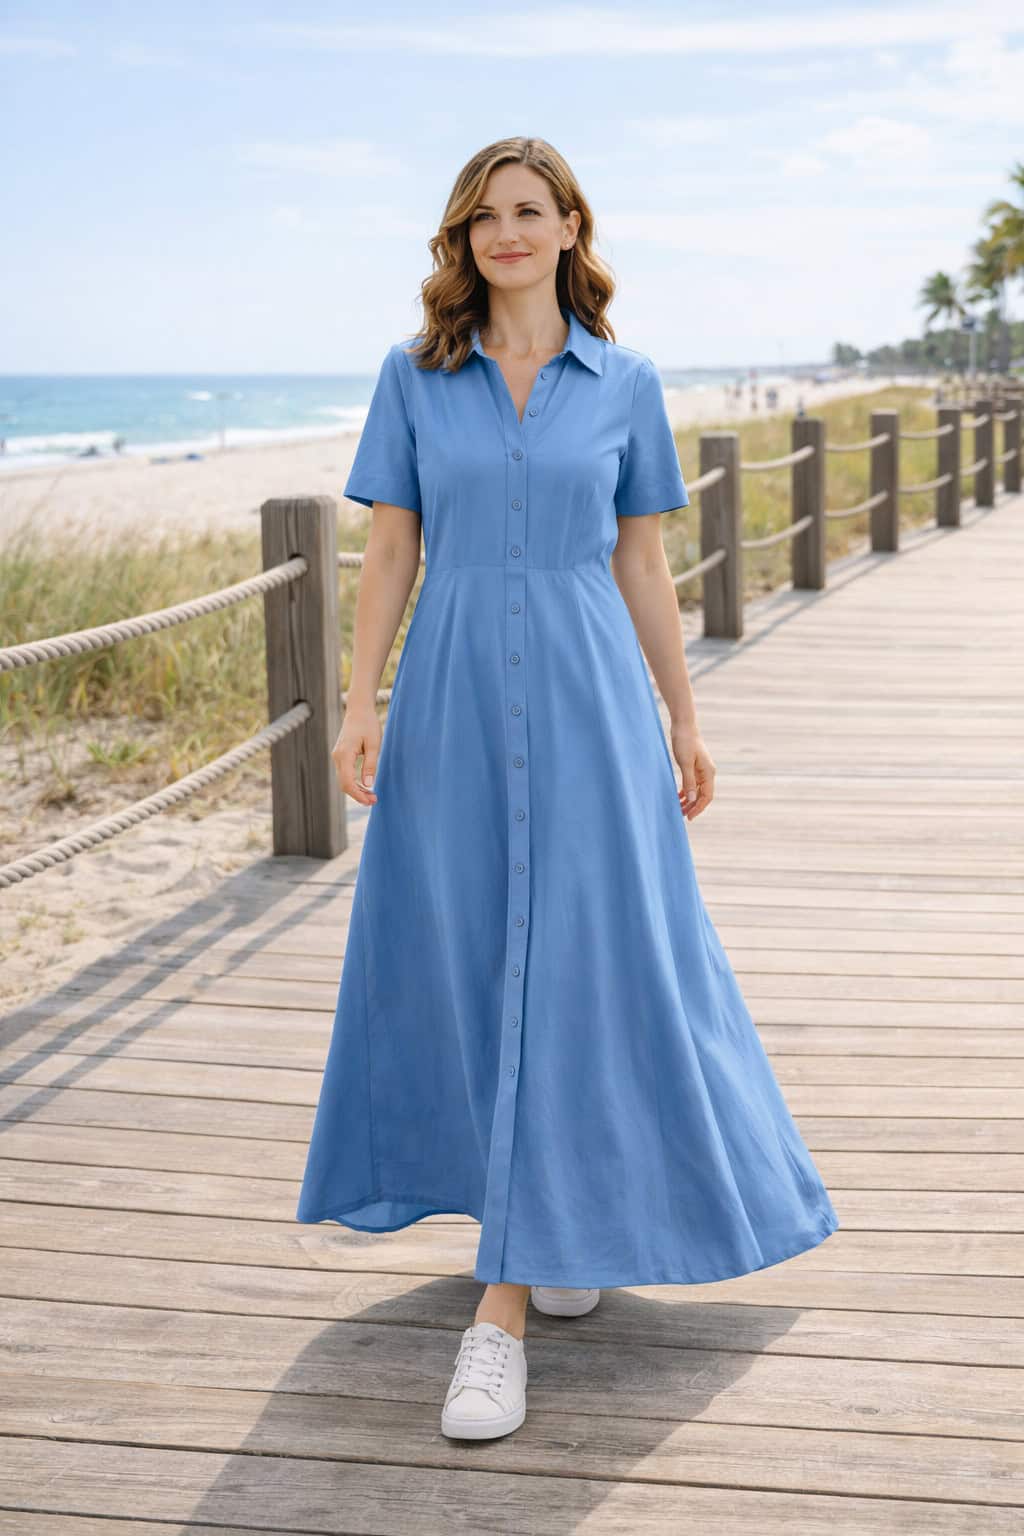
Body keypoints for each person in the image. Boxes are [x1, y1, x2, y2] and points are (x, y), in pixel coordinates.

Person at [294, 136, 839, 1442]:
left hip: (594, 708)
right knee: (476, 957)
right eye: (484, 218)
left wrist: (685, 713)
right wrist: (361, 701)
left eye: (529, 212)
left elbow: (643, 564)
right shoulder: (417, 378)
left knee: (603, 961)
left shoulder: (627, 383)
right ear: (462, 240)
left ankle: (506, 1306)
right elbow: (389, 552)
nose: (507, 234)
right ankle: (538, 1238)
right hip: (458, 701)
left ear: (570, 227)